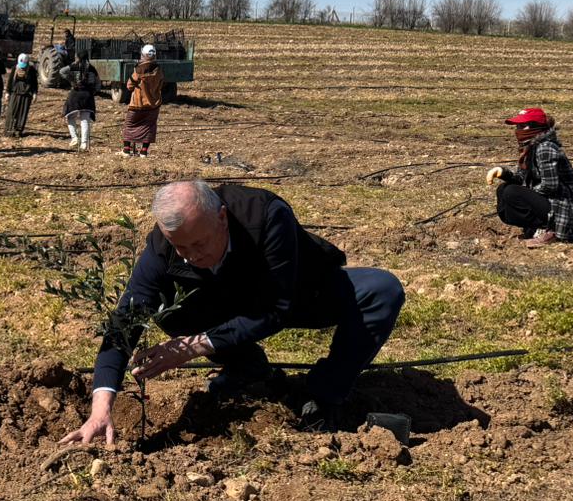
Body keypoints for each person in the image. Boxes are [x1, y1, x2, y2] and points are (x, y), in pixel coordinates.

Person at [60, 181, 406, 446]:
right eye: (181, 247)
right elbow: (125, 321)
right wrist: (101, 406)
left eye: (200, 243)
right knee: (167, 306)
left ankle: (323, 395)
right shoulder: (164, 247)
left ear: (222, 218)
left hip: (295, 293)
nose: (192, 256)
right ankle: (247, 368)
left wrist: (193, 346)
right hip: (225, 303)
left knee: (382, 289)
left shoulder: (265, 215)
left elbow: (276, 309)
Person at [487, 107, 573, 246]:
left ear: (535, 127)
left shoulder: (545, 148)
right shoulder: (530, 147)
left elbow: (550, 186)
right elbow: (521, 178)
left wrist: (527, 192)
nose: (518, 130)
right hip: (551, 202)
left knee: (512, 192)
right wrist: (503, 173)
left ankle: (552, 229)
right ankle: (536, 227)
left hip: (563, 208)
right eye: (517, 126)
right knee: (503, 190)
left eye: (522, 126)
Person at [121, 44, 164, 158]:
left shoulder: (138, 70)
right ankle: (143, 152)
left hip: (138, 104)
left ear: (143, 55)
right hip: (153, 104)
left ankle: (126, 150)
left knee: (129, 125)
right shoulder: (158, 70)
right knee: (149, 127)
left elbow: (129, 85)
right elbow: (160, 85)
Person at [63, 65, 99, 151]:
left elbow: (62, 71)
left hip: (75, 95)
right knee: (85, 120)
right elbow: (98, 83)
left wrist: (71, 81)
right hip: (88, 96)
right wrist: (94, 91)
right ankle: (84, 143)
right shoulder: (92, 68)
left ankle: (75, 138)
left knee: (70, 117)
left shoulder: (73, 66)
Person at [6, 53, 37, 136]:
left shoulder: (31, 70)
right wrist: (7, 92)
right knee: (12, 111)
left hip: (26, 94)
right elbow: (10, 81)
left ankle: (18, 130)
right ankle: (9, 129)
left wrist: (34, 93)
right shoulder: (15, 68)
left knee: (22, 112)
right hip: (15, 92)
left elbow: (34, 83)